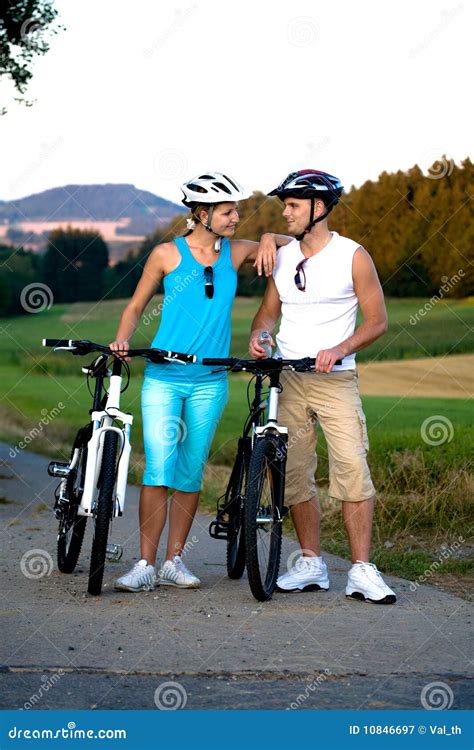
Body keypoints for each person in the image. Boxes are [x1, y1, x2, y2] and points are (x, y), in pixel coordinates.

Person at [111, 171, 290, 592]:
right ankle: (144, 563)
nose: (236, 218)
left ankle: (174, 561)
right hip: (164, 377)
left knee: (191, 470)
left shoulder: (234, 253)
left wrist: (267, 237)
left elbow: (293, 243)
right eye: (229, 211)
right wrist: (123, 337)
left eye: (237, 211)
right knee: (159, 468)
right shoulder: (166, 255)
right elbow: (136, 307)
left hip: (211, 379)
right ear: (202, 214)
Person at [249, 169, 396, 604]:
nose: (286, 212)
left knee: (352, 469)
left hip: (336, 380)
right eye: (285, 206)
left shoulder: (353, 256)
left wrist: (340, 347)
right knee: (293, 477)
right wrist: (260, 337)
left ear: (319, 208)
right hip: (288, 379)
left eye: (293, 205)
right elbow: (266, 315)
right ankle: (311, 563)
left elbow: (378, 322)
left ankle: (362, 571)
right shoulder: (284, 255)